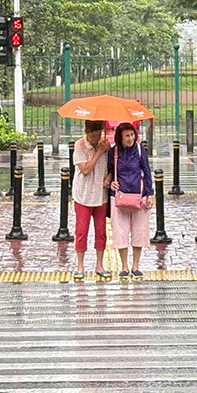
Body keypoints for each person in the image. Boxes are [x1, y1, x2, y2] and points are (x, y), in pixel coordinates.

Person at [107, 121, 153, 279]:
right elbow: (109, 172)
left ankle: (136, 265)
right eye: (126, 135)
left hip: (138, 195)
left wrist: (150, 194)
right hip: (119, 196)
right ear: (120, 137)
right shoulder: (113, 152)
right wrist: (111, 183)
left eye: (132, 134)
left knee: (139, 231)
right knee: (120, 231)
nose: (130, 138)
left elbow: (147, 172)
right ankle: (124, 265)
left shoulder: (140, 150)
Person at [72, 120, 111, 280]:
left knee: (101, 231)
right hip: (83, 195)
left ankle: (99, 264)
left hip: (100, 196)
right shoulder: (80, 145)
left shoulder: (105, 145)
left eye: (99, 134)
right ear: (87, 132)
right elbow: (86, 169)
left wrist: (108, 178)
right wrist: (98, 152)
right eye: (93, 135)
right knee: (81, 232)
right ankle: (80, 266)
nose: (96, 139)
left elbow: (111, 167)